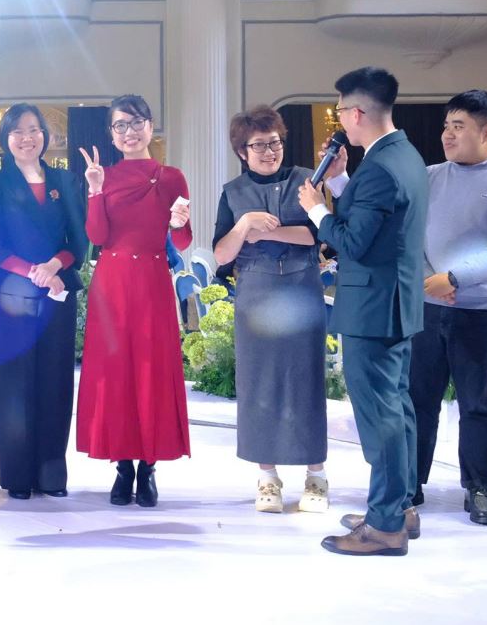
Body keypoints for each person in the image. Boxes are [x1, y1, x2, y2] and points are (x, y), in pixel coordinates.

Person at [298, 67, 428, 556]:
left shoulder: (381, 167)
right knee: (398, 408)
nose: (339, 123)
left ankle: (384, 526)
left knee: (381, 417)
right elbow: (377, 217)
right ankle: (400, 507)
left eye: (339, 113)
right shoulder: (403, 155)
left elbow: (353, 242)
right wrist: (341, 179)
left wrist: (316, 208)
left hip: (373, 307)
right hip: (396, 302)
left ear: (356, 113)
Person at [409, 91, 487, 527]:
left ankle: (478, 487)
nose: (446, 135)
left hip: (480, 312)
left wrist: (455, 278)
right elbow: (409, 236)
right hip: (427, 307)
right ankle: (411, 482)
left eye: (458, 126)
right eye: (446, 126)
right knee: (418, 400)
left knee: (477, 404)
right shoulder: (428, 177)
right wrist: (433, 280)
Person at [76, 94, 192, 508]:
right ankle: (122, 465)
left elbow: (184, 241)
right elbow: (97, 237)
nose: (129, 132)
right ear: (111, 134)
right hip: (112, 283)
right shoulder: (103, 176)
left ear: (150, 126)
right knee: (116, 373)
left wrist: (179, 224)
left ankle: (148, 467)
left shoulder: (172, 177)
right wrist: (94, 191)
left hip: (153, 281)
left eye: (136, 122)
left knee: (150, 370)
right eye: (120, 125)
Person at [212, 105, 328, 514]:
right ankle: (267, 478)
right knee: (258, 382)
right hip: (256, 294)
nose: (269, 151)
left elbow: (317, 234)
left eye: (274, 142)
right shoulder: (232, 192)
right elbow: (222, 254)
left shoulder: (306, 180)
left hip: (301, 289)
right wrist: (244, 225)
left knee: (306, 380)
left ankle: (316, 476)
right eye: (258, 145)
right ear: (242, 152)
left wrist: (268, 233)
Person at [0, 104, 88, 500]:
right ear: (5, 139)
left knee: (56, 381)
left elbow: (80, 239)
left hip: (58, 292)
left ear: (46, 135)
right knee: (13, 383)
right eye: (18, 131)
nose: (27, 138)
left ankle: (51, 474)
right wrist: (33, 272)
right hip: (13, 294)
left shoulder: (66, 180)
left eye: (34, 129)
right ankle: (18, 476)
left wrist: (55, 265)